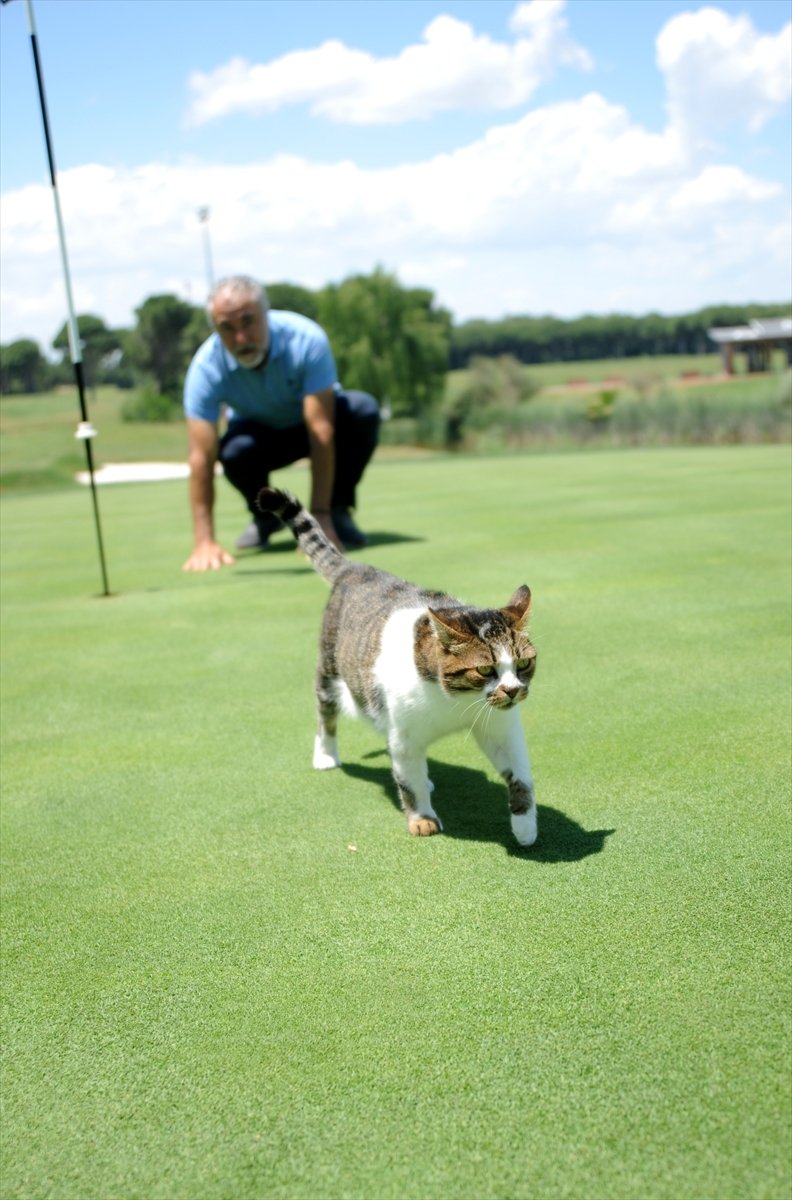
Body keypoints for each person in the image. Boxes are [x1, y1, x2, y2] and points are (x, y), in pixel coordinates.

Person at [182, 275, 380, 571]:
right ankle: (266, 517)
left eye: (248, 322)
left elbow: (321, 430)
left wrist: (319, 516)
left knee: (363, 411)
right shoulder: (205, 368)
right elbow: (201, 456)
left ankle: (335, 510)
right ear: (216, 329)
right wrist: (204, 541)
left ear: (266, 314)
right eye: (227, 328)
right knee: (233, 451)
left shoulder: (306, 339)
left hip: (315, 426)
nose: (240, 338)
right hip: (259, 436)